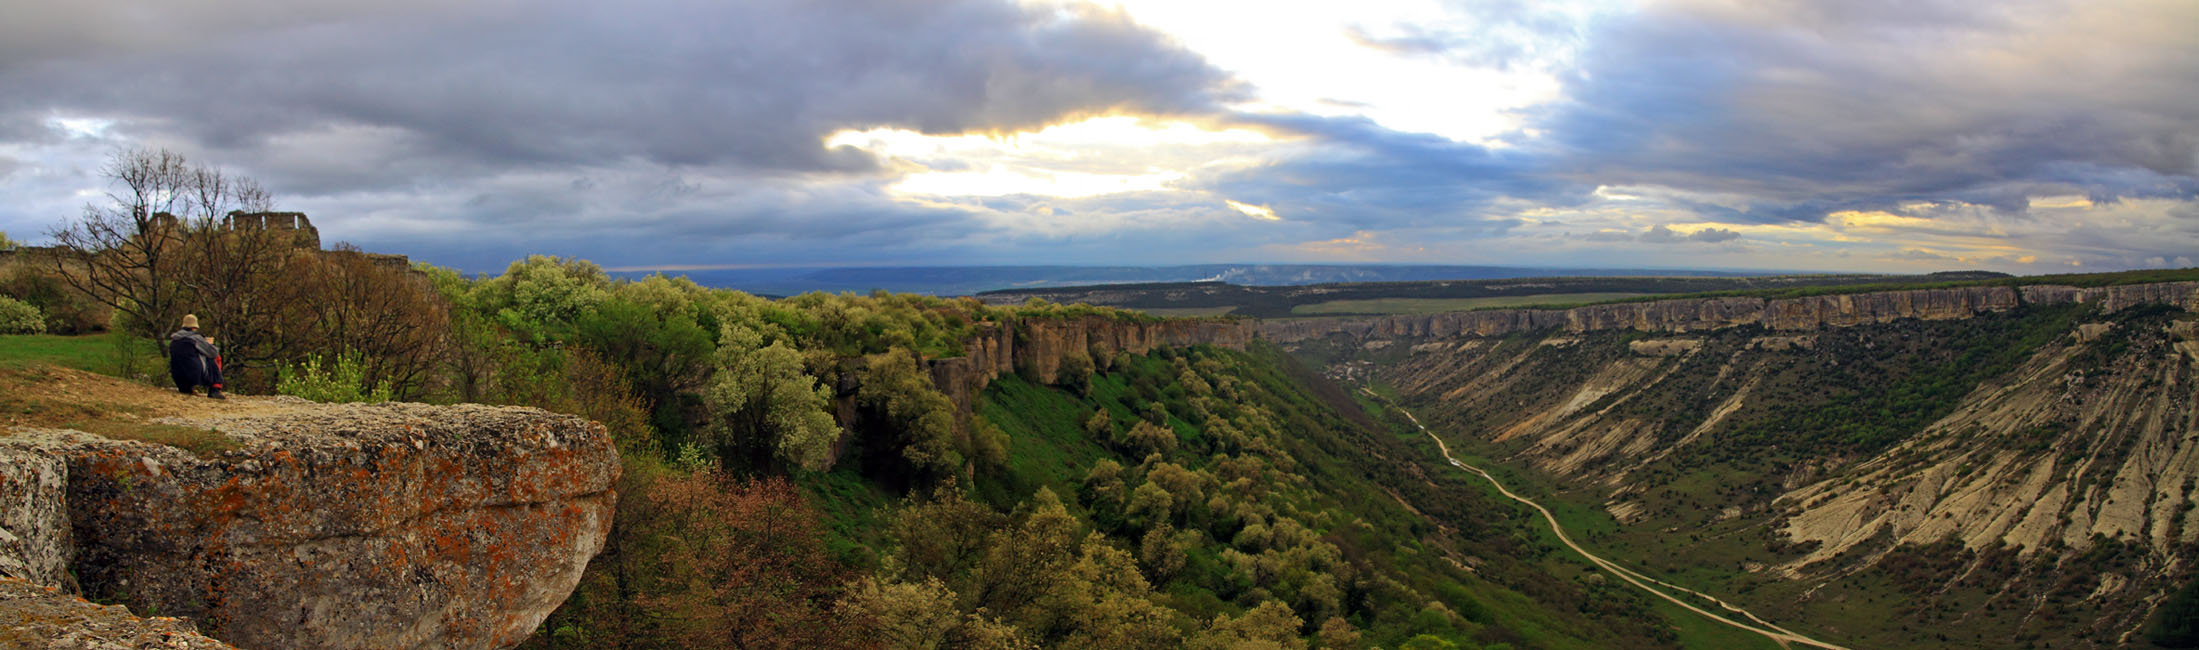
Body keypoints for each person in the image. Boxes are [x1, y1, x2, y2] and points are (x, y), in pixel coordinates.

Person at [168, 314, 226, 399]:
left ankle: (186, 388)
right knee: (214, 357)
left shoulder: (174, 340)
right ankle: (215, 389)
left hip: (177, 376)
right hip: (194, 375)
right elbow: (213, 352)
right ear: (194, 327)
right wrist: (210, 344)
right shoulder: (195, 338)